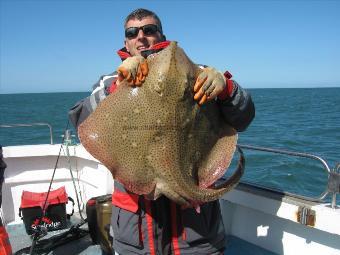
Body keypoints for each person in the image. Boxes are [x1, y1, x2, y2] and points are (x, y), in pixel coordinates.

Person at [69, 8, 255, 255]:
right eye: (132, 32)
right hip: (137, 233)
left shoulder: (198, 74)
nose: (141, 37)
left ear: (161, 34)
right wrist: (118, 86)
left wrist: (227, 87)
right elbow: (81, 119)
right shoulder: (111, 80)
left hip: (197, 233)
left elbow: (244, 117)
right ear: (125, 41)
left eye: (149, 29)